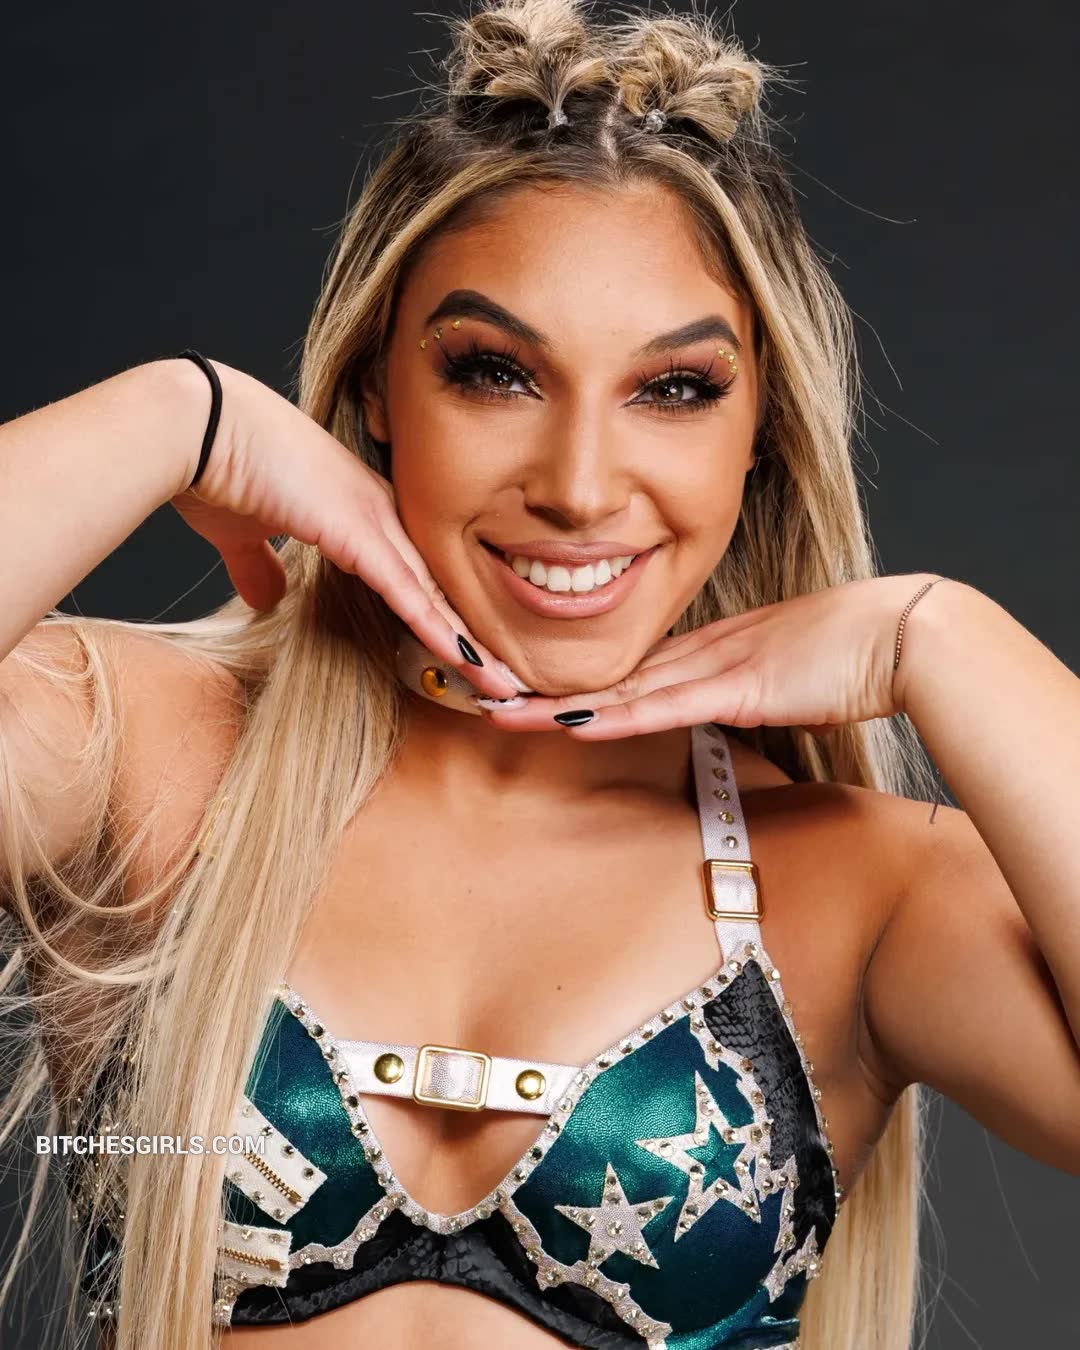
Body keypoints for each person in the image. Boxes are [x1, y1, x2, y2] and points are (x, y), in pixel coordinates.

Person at [1, 1, 1077, 1348]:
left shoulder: (861, 886)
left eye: (673, 389)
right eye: (495, 373)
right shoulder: (137, 758)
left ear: (762, 429)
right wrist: (178, 416)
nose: (578, 486)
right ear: (379, 386)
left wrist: (945, 637)